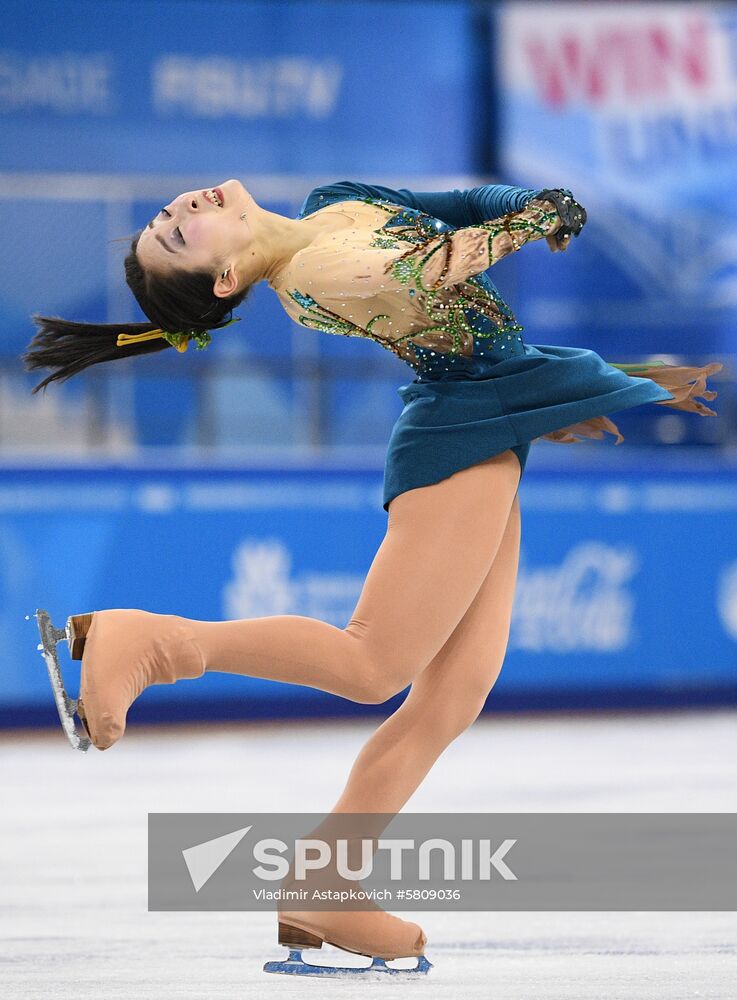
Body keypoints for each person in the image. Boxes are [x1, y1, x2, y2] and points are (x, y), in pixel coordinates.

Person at [24, 178, 723, 972]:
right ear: (227, 280)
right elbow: (439, 263)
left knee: (454, 695)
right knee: (371, 665)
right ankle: (152, 643)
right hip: (463, 427)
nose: (180, 210)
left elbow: (462, 208)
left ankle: (326, 878)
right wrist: (536, 220)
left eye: (167, 214)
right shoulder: (317, 273)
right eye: (176, 236)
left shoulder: (336, 200)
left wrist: (526, 200)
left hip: (490, 415)